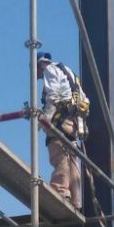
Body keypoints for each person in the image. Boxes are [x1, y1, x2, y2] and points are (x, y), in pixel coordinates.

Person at [37, 51, 88, 210]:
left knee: (59, 154)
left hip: (60, 119)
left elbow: (53, 96)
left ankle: (60, 192)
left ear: (40, 64)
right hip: (73, 122)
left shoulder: (50, 69)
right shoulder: (69, 73)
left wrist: (45, 119)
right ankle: (75, 200)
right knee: (72, 157)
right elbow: (84, 100)